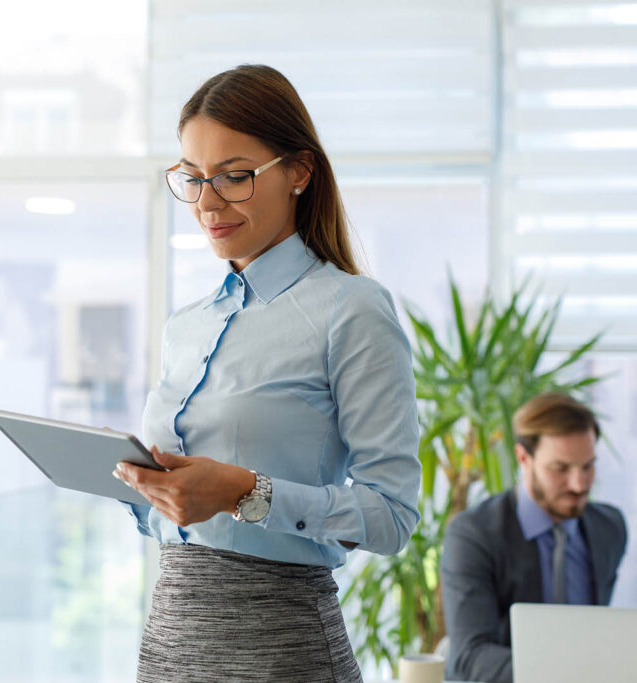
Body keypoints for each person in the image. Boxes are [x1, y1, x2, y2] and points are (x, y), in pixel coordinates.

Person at [113, 64, 421, 683]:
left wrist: (243, 492)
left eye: (234, 176)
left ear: (299, 171)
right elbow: (174, 518)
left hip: (282, 650)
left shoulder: (351, 309)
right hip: (172, 643)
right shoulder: (186, 325)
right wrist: (145, 487)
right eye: (193, 178)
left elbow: (392, 518)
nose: (207, 203)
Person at [441, 392, 628, 683]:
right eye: (560, 469)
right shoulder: (474, 534)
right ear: (523, 457)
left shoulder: (610, 528)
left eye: (588, 466)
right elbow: (471, 659)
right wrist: (572, 673)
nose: (579, 485)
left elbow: (597, 634)